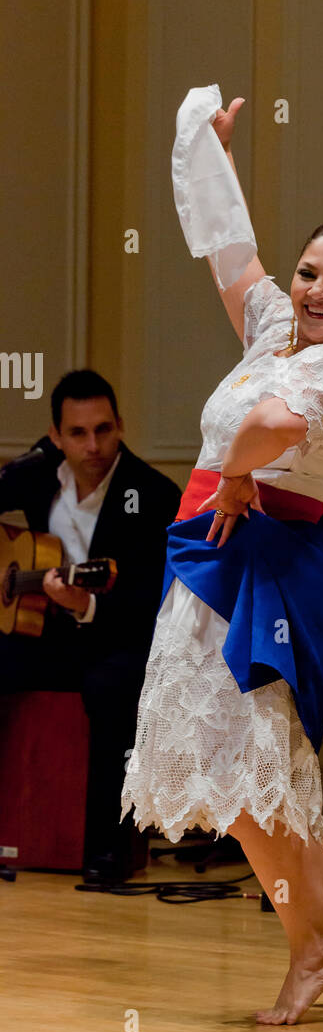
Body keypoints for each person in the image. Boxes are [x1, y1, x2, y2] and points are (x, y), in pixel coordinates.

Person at [120, 94, 323, 1025]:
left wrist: (237, 472)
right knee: (245, 763)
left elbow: (270, 427)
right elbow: (229, 249)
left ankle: (313, 947)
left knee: (249, 773)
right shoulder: (278, 327)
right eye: (309, 274)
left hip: (268, 564)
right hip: (217, 550)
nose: (316, 292)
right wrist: (204, 146)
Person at [0, 370, 181, 883]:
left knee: (109, 687)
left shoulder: (151, 494)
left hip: (120, 638)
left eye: (104, 429)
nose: (93, 445)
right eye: (77, 433)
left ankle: (108, 848)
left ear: (120, 425)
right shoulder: (34, 477)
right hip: (45, 633)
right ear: (55, 436)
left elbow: (151, 599)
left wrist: (86, 605)